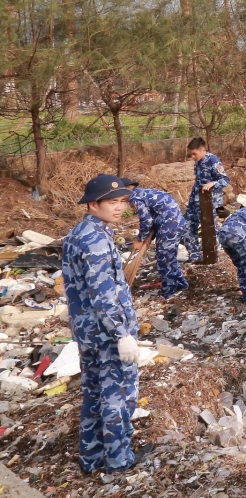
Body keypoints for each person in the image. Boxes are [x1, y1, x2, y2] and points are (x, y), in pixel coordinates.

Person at [62, 175, 140, 474]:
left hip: (87, 331)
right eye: (112, 202)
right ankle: (119, 460)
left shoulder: (79, 233)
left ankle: (92, 456)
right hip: (106, 334)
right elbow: (103, 293)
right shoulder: (94, 239)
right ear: (93, 204)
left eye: (122, 201)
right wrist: (121, 333)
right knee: (116, 397)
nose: (120, 208)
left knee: (94, 394)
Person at [124, 177, 188, 300]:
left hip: (169, 225)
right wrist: (149, 236)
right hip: (174, 222)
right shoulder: (144, 192)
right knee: (168, 256)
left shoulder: (135, 198)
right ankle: (180, 284)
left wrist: (140, 239)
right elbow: (154, 215)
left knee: (164, 259)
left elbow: (147, 220)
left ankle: (169, 292)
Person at [182, 137, 230, 263]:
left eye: (194, 153)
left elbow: (225, 180)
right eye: (191, 154)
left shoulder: (213, 161)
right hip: (196, 201)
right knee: (185, 226)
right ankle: (195, 256)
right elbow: (198, 182)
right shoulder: (198, 162)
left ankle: (213, 257)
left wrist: (213, 183)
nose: (192, 156)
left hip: (211, 203)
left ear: (203, 150)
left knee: (211, 230)